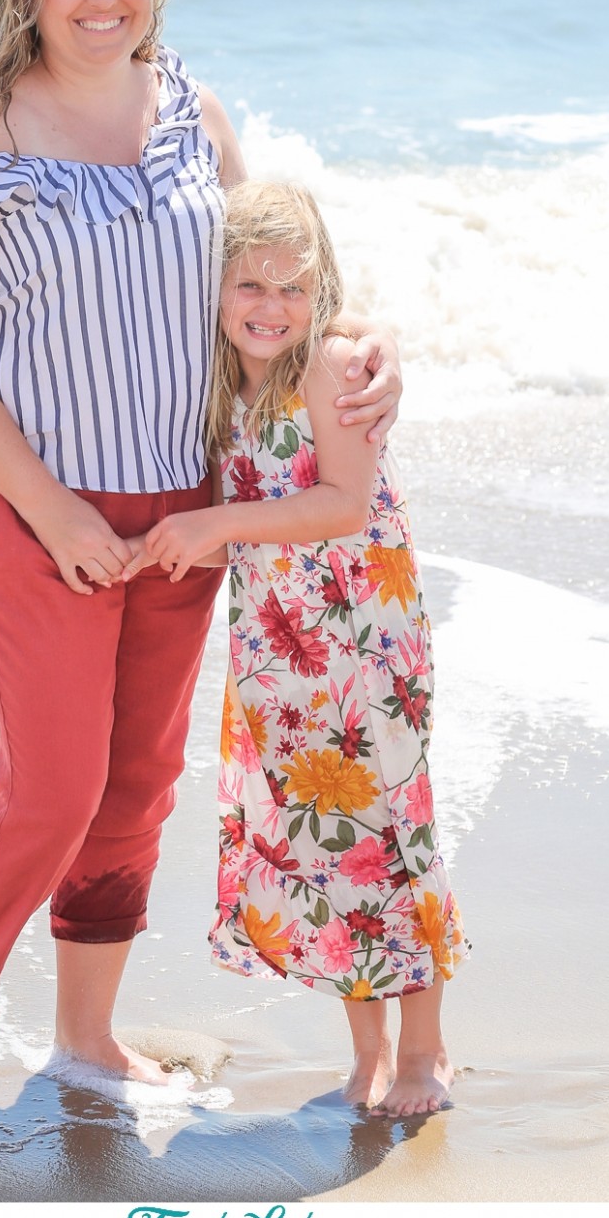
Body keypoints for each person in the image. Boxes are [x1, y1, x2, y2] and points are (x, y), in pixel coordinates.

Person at [0, 0, 402, 1083]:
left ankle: (85, 1036)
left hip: (185, 510)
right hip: (26, 500)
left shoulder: (195, 111)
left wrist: (370, 346)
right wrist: (53, 513)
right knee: (52, 785)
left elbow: (276, 292)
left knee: (136, 783)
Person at [138, 180, 467, 1117]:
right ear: (217, 286)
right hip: (281, 645)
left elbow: (342, 504)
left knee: (390, 835)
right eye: (250, 286)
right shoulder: (222, 372)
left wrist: (212, 524)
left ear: (319, 291)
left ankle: (426, 1050)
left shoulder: (325, 367)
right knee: (329, 848)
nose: (270, 307)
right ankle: (364, 1054)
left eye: (293, 288)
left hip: (365, 639)